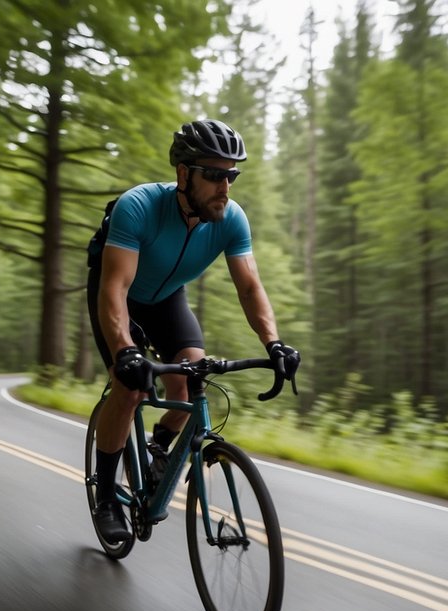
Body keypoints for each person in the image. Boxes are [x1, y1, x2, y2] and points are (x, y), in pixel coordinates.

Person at [85, 118, 301, 543]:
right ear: (184, 173)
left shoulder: (232, 219)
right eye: (215, 175)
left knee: (190, 376)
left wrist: (273, 342)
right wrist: (127, 351)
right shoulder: (139, 206)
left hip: (167, 301)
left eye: (232, 175)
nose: (225, 186)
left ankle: (157, 448)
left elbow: (250, 287)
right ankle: (108, 495)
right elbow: (115, 288)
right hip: (119, 295)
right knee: (127, 389)